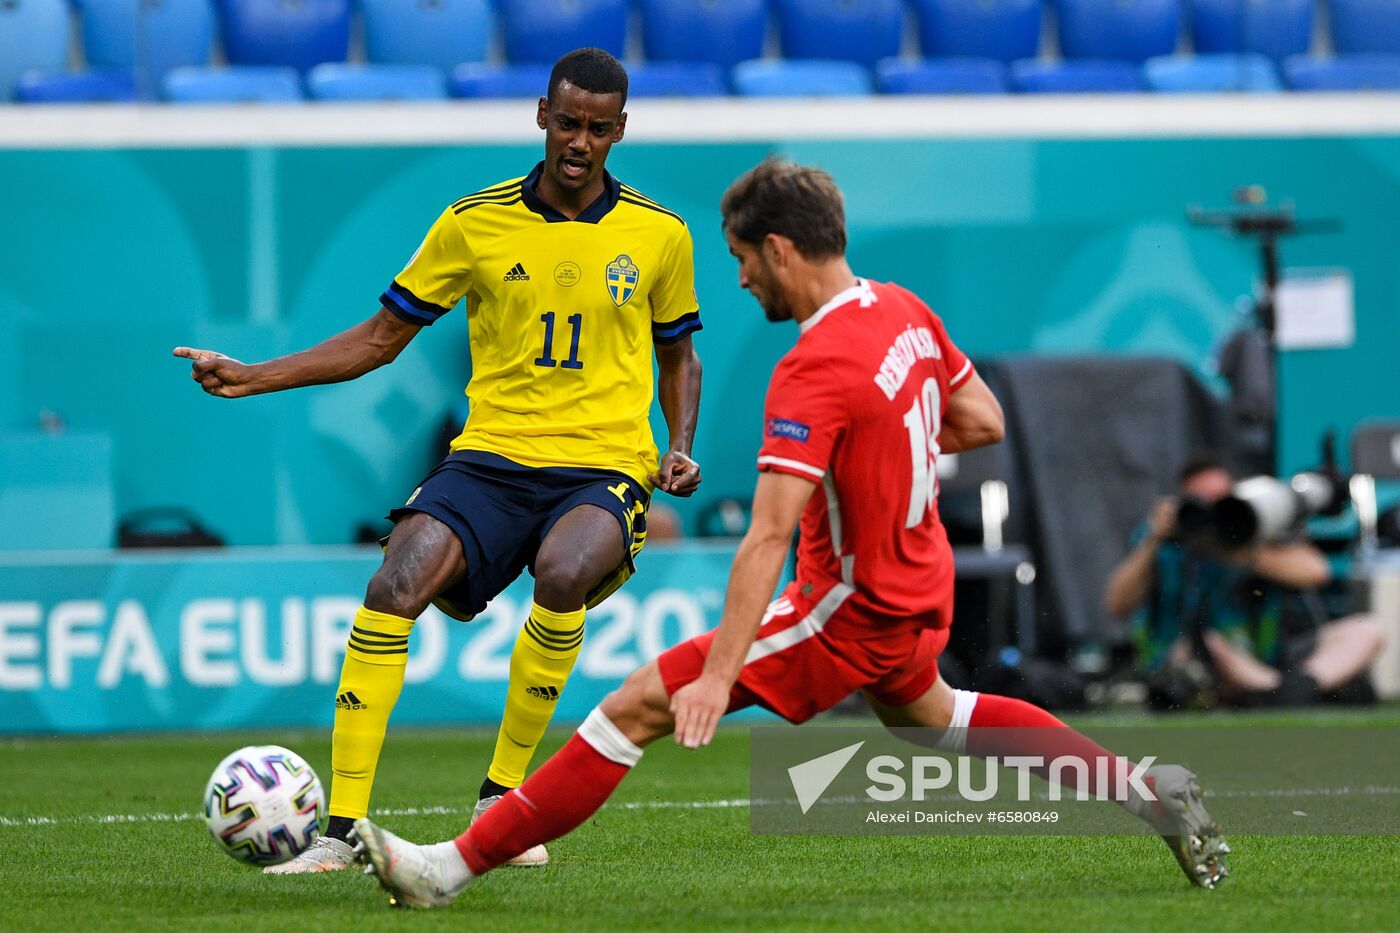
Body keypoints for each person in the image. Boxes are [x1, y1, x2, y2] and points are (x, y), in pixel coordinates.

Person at [345, 158, 1229, 908]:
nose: (738, 280)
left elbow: (767, 537)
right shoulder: (902, 312)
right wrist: (883, 449)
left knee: (634, 708)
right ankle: (1146, 790)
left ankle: (445, 869)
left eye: (740, 259)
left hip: (849, 603)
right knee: (935, 716)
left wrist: (718, 674)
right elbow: (980, 417)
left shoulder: (814, 368)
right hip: (921, 583)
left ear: (777, 248)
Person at [172, 48, 704, 872]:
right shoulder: (473, 222)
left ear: (620, 131)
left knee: (564, 572)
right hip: (489, 458)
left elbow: (680, 355)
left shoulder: (661, 235)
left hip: (604, 464)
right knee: (393, 583)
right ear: (542, 115)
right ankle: (341, 829)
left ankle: (502, 799)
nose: (580, 142)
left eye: (599, 129)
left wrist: (679, 446)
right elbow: (381, 339)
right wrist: (254, 375)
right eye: (568, 122)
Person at [1104, 454, 1384, 707]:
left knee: (1366, 631)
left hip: (1268, 657)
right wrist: (1154, 538)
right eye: (1203, 502)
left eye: (1221, 500)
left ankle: (1287, 689)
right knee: (1209, 641)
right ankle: (1284, 692)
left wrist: (1234, 549)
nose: (1212, 512)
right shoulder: (1166, 540)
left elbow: (1315, 572)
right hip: (1200, 661)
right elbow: (1117, 603)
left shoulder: (1260, 532)